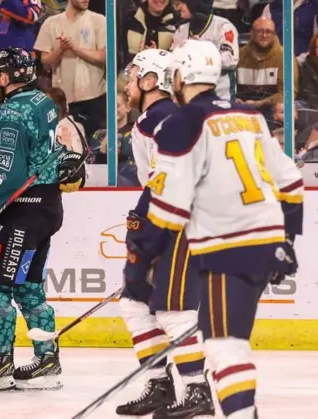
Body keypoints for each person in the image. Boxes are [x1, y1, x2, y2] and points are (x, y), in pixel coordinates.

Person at [127, 39, 303, 418]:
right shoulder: (249, 115)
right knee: (228, 344)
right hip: (263, 240)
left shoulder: (182, 121)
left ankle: (201, 394)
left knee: (208, 336)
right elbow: (290, 180)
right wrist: (287, 239)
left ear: (182, 75)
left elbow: (171, 205)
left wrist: (142, 250)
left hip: (222, 242)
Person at [0, 47, 85, 393]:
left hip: (21, 213)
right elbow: (56, 152)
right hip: (47, 208)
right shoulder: (44, 103)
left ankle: (0, 360)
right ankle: (47, 359)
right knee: (30, 288)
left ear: (3, 78)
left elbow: (7, 172)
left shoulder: (10, 114)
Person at [117, 48, 214, 419]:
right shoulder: (150, 120)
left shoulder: (165, 118)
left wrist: (153, 236)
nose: (127, 84)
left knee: (173, 308)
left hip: (177, 226)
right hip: (162, 221)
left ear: (150, 81)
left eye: (133, 76)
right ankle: (159, 384)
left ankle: (196, 389)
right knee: (135, 303)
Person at [172, 0, 239, 100]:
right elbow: (174, 62)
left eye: (182, 3)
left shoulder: (223, 26)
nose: (178, 8)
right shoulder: (181, 30)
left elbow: (230, 60)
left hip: (222, 99)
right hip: (189, 99)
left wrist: (200, 54)